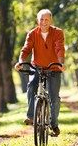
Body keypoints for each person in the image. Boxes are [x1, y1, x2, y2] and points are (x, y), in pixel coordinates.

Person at [14, 9, 66, 137]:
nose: (44, 22)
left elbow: (60, 48)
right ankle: (31, 116)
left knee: (54, 98)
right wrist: (21, 61)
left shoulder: (58, 33)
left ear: (50, 20)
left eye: (46, 19)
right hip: (37, 66)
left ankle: (54, 125)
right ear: (37, 21)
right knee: (31, 85)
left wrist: (61, 63)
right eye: (41, 19)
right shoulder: (32, 34)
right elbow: (25, 49)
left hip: (54, 67)